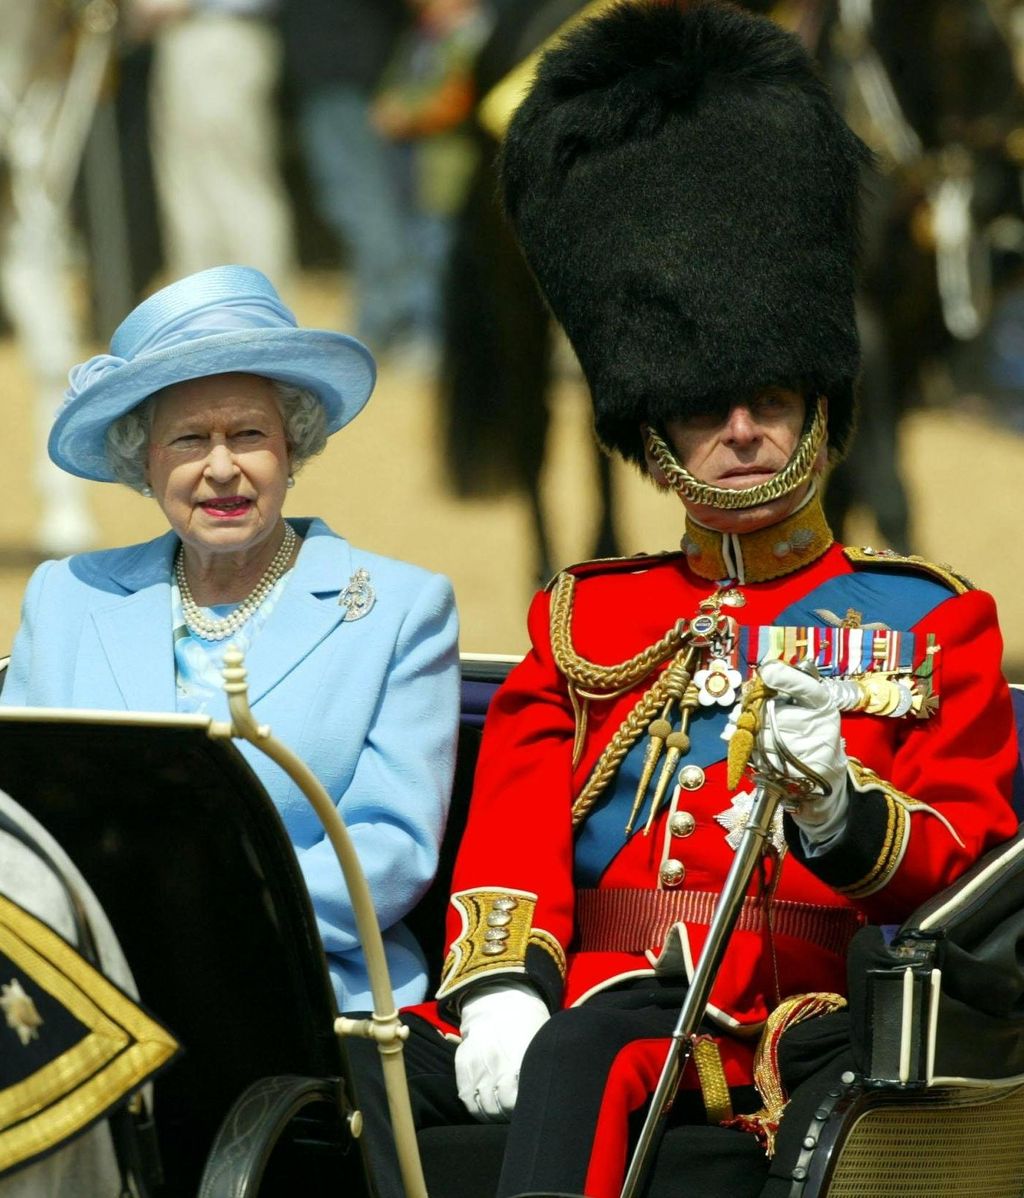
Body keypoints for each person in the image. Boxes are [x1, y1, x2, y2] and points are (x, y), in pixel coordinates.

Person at [347, 4, 1020, 1197]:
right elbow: (511, 828)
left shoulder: (928, 620)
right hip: (590, 1004)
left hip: (792, 1029)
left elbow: (969, 869)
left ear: (818, 405)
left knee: (597, 1057)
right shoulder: (584, 616)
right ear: (652, 429)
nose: (743, 428)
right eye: (704, 406)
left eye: (766, 395)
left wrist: (839, 812)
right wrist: (501, 982)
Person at [0, 263, 461, 1012]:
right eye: (188, 439)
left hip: (296, 990)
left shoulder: (399, 610)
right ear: (143, 461)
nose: (222, 468)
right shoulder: (67, 598)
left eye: (248, 433)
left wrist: (195, 924)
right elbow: (14, 816)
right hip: (83, 991)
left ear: (290, 446)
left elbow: (388, 852)